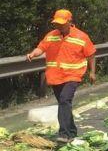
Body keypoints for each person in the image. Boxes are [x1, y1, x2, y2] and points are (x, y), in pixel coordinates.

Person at [26, 9, 96, 143]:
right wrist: (33, 54)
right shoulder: (51, 35)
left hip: (73, 75)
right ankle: (72, 131)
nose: (58, 26)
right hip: (55, 76)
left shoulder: (81, 37)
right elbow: (41, 47)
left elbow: (91, 54)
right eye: (56, 23)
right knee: (64, 104)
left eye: (61, 23)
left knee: (64, 100)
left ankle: (64, 134)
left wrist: (92, 72)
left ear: (70, 22)